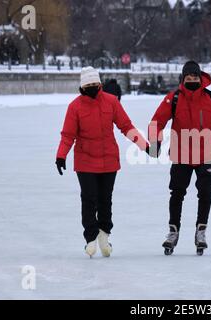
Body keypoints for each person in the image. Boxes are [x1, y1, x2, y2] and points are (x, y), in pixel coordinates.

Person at [148, 61, 211, 256]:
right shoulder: (174, 98)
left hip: (205, 155)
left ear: (200, 78)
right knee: (176, 194)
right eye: (188, 78)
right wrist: (155, 142)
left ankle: (201, 232)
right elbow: (156, 121)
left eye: (194, 77)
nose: (191, 80)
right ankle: (173, 231)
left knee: (205, 194)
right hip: (181, 155)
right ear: (183, 79)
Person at [55, 67, 150, 258]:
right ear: (82, 86)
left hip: (108, 160)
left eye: (94, 84)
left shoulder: (111, 101)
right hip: (85, 161)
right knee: (89, 199)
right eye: (88, 85)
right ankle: (90, 237)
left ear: (99, 84)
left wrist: (144, 145)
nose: (92, 87)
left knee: (105, 200)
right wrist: (61, 155)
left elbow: (126, 126)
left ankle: (104, 235)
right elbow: (68, 135)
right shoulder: (75, 107)